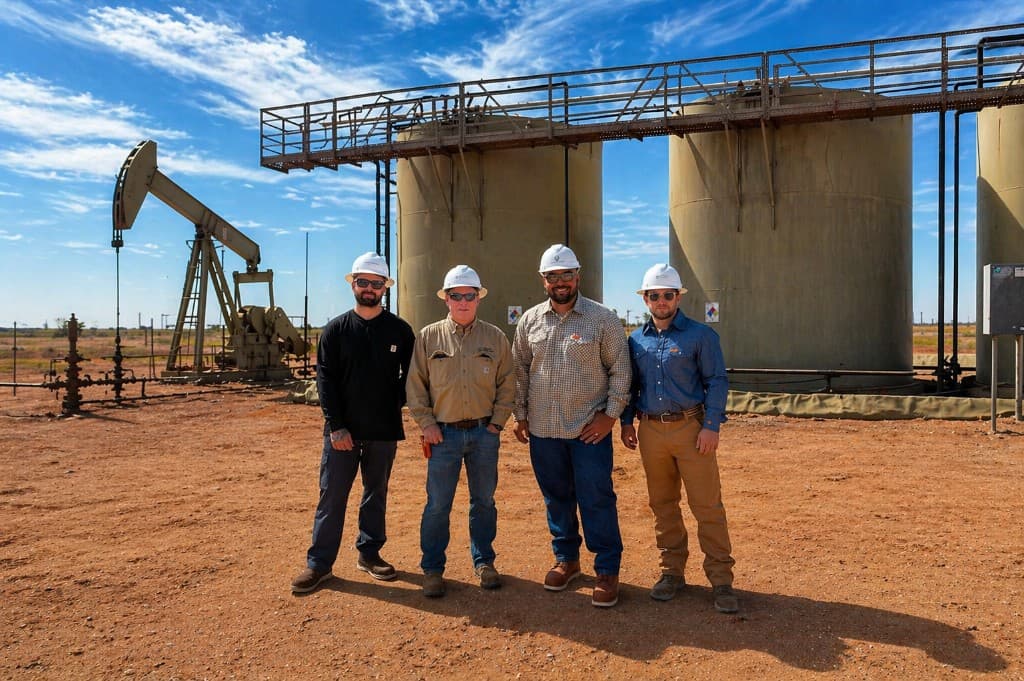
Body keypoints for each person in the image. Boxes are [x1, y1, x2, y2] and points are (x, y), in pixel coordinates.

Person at [512, 244, 631, 608]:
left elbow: (621, 370)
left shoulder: (602, 319)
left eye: (566, 274)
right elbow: (520, 371)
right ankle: (567, 559)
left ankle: (606, 569)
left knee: (596, 498)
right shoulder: (530, 321)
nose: (560, 281)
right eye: (553, 276)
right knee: (556, 498)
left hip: (587, 432)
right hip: (544, 430)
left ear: (578, 276)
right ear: (543, 280)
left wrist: (610, 416)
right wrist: (521, 415)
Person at [290, 252, 415, 594]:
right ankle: (319, 565)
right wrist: (336, 426)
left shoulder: (400, 331)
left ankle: (369, 554)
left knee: (376, 494)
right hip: (342, 432)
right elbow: (325, 381)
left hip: (383, 431)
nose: (369, 288)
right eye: (363, 282)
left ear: (385, 287)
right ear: (353, 285)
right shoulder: (335, 331)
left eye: (376, 283)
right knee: (332, 497)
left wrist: (393, 404)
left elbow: (412, 376)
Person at [619, 263, 738, 613]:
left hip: (692, 430)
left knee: (707, 506)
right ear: (645, 299)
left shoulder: (701, 336)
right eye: (654, 295)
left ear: (678, 297)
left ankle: (721, 579)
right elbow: (631, 385)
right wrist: (626, 423)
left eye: (667, 295)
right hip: (651, 430)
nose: (661, 301)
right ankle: (671, 572)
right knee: (663, 504)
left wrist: (711, 425)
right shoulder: (635, 340)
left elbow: (717, 380)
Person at [407, 265, 515, 597]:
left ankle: (484, 562)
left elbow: (507, 383)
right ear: (447, 299)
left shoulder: (495, 337)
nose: (463, 302)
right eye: (457, 296)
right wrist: (427, 424)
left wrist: (497, 422)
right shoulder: (428, 337)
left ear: (479, 299)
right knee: (438, 504)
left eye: (470, 295)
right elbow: (416, 386)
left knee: (484, 501)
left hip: (484, 434)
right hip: (442, 436)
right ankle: (432, 569)